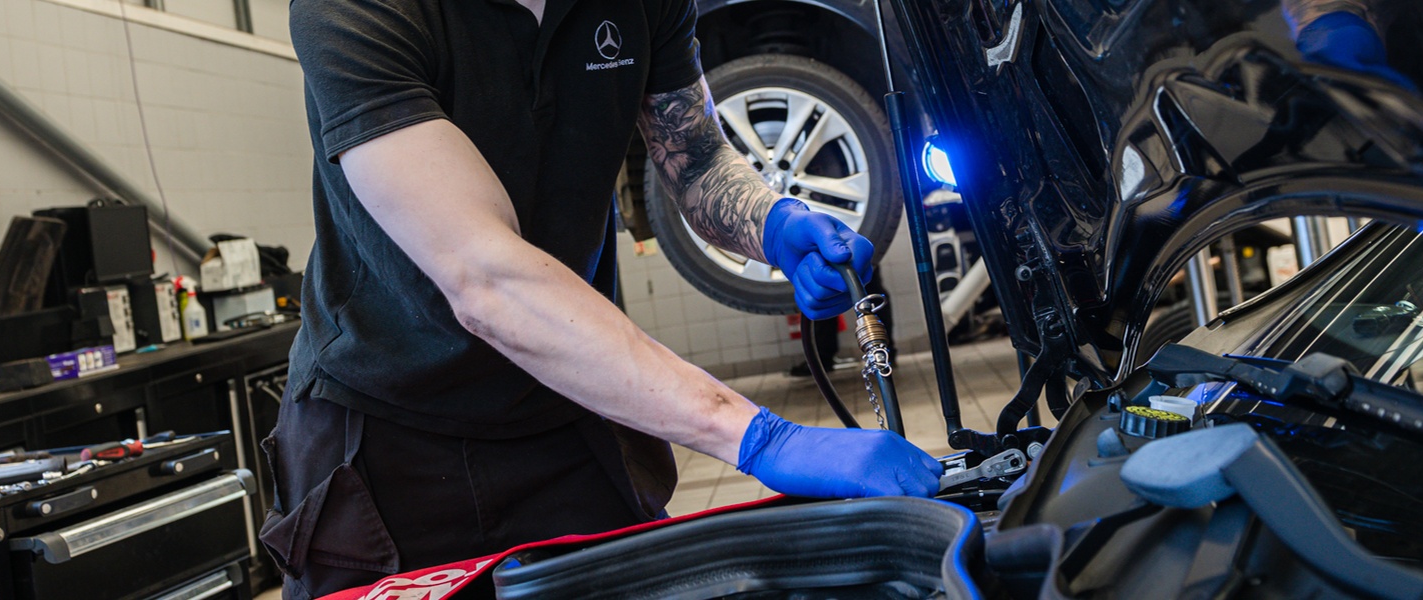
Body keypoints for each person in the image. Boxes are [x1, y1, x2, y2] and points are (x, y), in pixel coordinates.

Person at [261, 0, 944, 597]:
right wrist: (757, 435)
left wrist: (771, 221)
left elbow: (697, 157)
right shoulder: (355, 8)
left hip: (569, 410)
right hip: (386, 436)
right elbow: (487, 278)